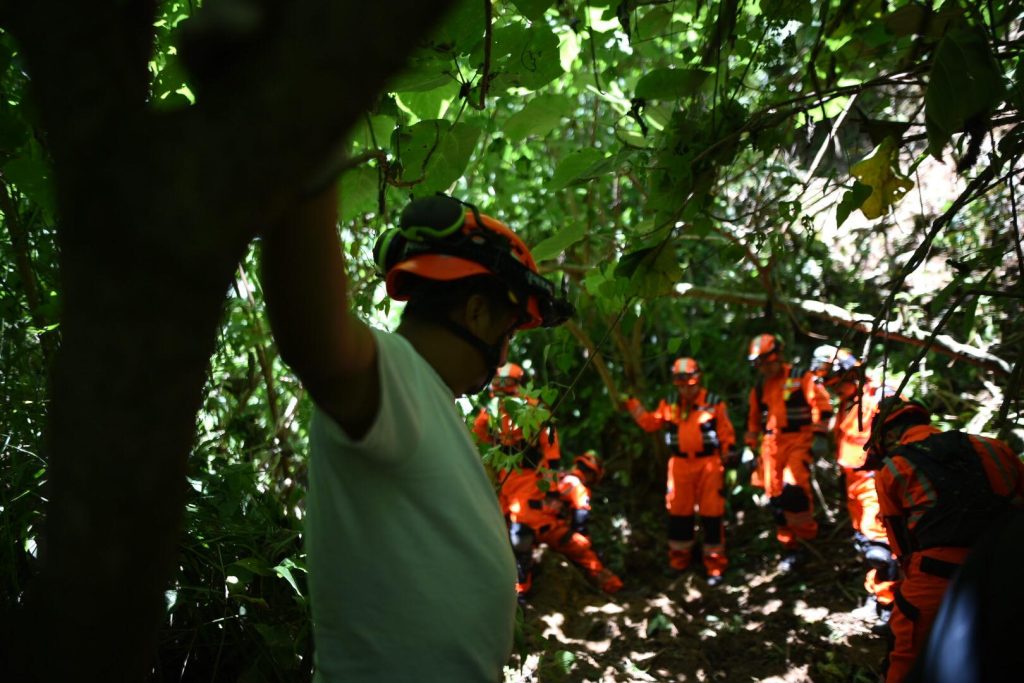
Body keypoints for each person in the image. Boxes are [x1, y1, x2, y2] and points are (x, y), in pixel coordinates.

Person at [260, 191, 572, 681]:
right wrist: (312, 150)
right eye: (507, 330)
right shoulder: (395, 375)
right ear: (475, 313)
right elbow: (311, 331)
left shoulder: (429, 397)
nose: (505, 349)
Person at [863, 397, 1024, 683]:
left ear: (888, 436)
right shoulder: (993, 446)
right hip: (1012, 564)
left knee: (907, 659)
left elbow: (902, 548)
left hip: (938, 575)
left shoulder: (894, 468)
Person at [623, 357, 737, 585]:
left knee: (712, 513)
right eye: (682, 385)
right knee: (679, 512)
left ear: (698, 380)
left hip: (709, 464)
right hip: (680, 464)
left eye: (690, 385)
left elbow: (727, 434)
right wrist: (631, 404)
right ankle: (679, 562)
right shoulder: (670, 403)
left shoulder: (713, 403)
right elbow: (650, 423)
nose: (686, 390)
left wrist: (730, 459)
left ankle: (715, 566)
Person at [811, 345, 898, 630]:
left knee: (882, 548)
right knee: (866, 545)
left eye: (837, 383)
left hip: (876, 481)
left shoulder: (880, 396)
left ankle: (891, 608)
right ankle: (877, 597)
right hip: (854, 484)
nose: (836, 390)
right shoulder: (848, 404)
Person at [744, 334, 832, 570]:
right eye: (759, 364)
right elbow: (753, 421)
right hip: (771, 445)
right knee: (775, 497)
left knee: (794, 490)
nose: (763, 368)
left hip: (798, 440)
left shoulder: (800, 376)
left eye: (765, 362)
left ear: (775, 357)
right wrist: (749, 449)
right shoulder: (761, 386)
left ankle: (807, 541)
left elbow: (822, 405)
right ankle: (789, 546)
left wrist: (820, 435)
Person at [499, 448, 623, 598]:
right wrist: (582, 535)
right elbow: (581, 513)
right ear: (591, 475)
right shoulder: (578, 486)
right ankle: (613, 587)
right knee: (584, 550)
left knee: (520, 559)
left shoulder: (551, 476)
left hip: (520, 525)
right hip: (548, 529)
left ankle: (520, 594)